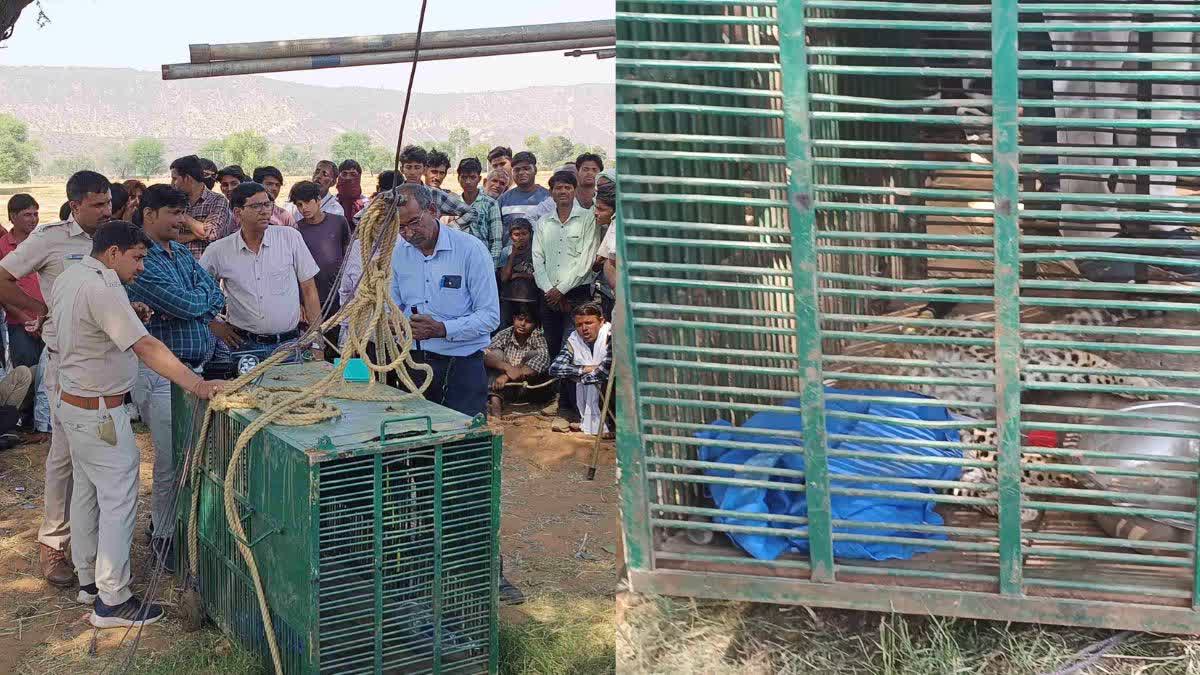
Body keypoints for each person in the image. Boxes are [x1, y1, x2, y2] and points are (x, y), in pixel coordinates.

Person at [52, 220, 223, 628]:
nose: (143, 267)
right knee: (118, 501)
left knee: (88, 494)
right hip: (99, 412)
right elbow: (145, 345)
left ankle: (89, 578)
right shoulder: (104, 285)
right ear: (112, 253)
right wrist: (196, 384)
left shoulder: (72, 273)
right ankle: (113, 600)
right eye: (138, 257)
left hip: (76, 405)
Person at [386, 183, 523, 605]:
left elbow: (489, 316)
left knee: (467, 468)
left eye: (412, 223)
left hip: (463, 370)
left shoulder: (470, 250)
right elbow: (390, 306)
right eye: (401, 227)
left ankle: (484, 568)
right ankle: (421, 567)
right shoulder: (398, 253)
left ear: (432, 210)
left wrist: (443, 328)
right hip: (414, 370)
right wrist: (399, 326)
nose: (408, 233)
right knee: (417, 470)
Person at [0, 170, 112, 588]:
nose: (106, 211)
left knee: (106, 453)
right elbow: (2, 277)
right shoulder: (50, 239)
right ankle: (53, 544)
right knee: (64, 455)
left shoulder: (113, 238)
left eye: (109, 203)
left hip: (107, 363)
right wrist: (36, 309)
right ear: (75, 204)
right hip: (66, 364)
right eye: (97, 204)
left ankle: (94, 540)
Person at [126, 185, 224, 569]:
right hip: (161, 376)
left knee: (190, 457)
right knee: (170, 461)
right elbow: (186, 303)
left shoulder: (181, 251)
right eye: (174, 213)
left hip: (194, 373)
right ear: (149, 214)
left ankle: (182, 529)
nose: (182, 220)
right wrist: (198, 304)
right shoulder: (141, 259)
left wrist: (197, 303)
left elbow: (212, 294)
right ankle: (163, 535)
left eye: (183, 212)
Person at [201, 182, 323, 372]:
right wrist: (213, 323)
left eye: (267, 205)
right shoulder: (218, 250)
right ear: (237, 213)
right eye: (256, 206)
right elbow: (197, 291)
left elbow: (309, 290)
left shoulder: (290, 238)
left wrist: (317, 342)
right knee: (248, 400)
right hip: (244, 348)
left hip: (288, 346)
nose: (265, 211)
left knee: (291, 399)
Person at [533, 170, 602, 428]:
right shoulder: (543, 223)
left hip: (576, 295)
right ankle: (561, 399)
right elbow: (537, 259)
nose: (562, 192)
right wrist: (550, 289)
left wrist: (562, 289)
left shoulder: (586, 220)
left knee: (572, 349)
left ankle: (568, 410)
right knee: (554, 349)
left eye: (566, 187)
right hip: (548, 295)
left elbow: (585, 260)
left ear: (574, 190)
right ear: (551, 192)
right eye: (557, 188)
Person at [290, 180, 351, 356]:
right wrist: (300, 301)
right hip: (310, 298)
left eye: (308, 202)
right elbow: (295, 269)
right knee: (313, 347)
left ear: (318, 200)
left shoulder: (339, 222)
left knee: (335, 347)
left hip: (337, 297)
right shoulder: (296, 230)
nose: (304, 208)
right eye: (299, 205)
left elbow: (347, 256)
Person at [1, 194, 45, 431]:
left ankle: (44, 419)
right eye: (27, 214)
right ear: (12, 217)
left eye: (36, 214)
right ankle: (24, 420)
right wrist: (27, 318)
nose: (33, 219)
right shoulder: (2, 247)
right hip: (19, 323)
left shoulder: (42, 243)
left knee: (47, 370)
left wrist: (43, 318)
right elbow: (3, 294)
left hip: (46, 319)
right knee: (26, 370)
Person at [548, 302, 613, 436]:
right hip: (587, 381)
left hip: (609, 392)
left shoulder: (611, 336)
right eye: (579, 325)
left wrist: (581, 376)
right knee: (567, 373)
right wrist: (584, 369)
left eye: (589, 323)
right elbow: (554, 368)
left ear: (601, 322)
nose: (584, 328)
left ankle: (610, 423)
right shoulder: (574, 339)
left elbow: (606, 371)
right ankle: (569, 412)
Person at [484, 302, 551, 418]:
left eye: (529, 321)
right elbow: (485, 354)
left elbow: (544, 359)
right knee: (496, 354)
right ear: (514, 318)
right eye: (520, 319)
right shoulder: (505, 333)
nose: (523, 324)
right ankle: (495, 403)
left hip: (527, 387)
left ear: (535, 324)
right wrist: (507, 368)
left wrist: (510, 375)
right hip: (503, 386)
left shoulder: (537, 336)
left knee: (534, 354)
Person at [170, 155, 232, 261]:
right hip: (177, 269)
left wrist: (182, 216)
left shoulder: (217, 201)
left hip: (205, 269)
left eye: (175, 179)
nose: (172, 183)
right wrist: (199, 233)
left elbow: (212, 234)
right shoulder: (174, 201)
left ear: (187, 178)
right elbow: (168, 237)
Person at [498, 151, 550, 249]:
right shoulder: (503, 199)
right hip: (510, 259)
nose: (521, 172)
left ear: (535, 170)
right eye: (517, 170)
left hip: (541, 256)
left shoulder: (548, 197)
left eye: (526, 168)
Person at [457, 158, 502, 267]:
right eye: (464, 177)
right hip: (458, 260)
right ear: (458, 178)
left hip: (481, 260)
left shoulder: (490, 203)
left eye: (472, 177)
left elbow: (496, 240)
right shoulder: (453, 203)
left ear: (479, 179)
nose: (468, 182)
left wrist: (491, 267)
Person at [499, 218, 536, 328]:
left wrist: (518, 275)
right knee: (506, 329)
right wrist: (513, 255)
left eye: (524, 234)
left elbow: (538, 276)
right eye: (516, 234)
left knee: (529, 329)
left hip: (530, 299)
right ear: (511, 236)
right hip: (508, 299)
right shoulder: (506, 251)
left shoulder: (535, 250)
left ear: (530, 234)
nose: (520, 238)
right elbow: (504, 278)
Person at [593, 182, 618, 293]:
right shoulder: (612, 223)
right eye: (596, 208)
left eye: (601, 209)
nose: (596, 213)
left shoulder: (617, 225)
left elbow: (613, 258)